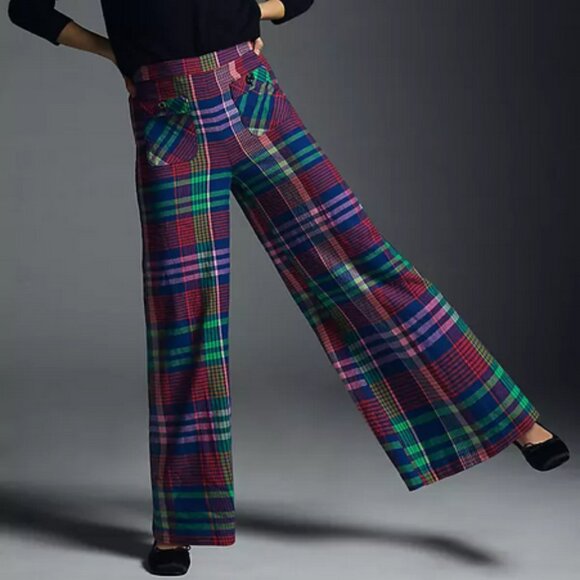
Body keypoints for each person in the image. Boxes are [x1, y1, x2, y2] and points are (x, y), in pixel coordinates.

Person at [7, 1, 570, 576]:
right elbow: (26, 8)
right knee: (184, 319)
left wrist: (254, 10)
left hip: (251, 98)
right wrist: (112, 51)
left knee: (363, 265)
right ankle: (178, 524)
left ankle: (516, 424)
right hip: (167, 118)